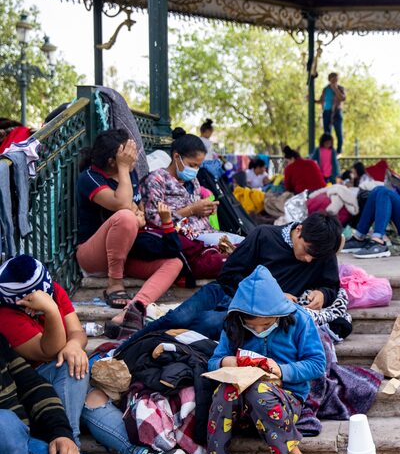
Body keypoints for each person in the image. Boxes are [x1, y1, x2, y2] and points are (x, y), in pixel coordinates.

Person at [0, 255, 189, 454]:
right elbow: (50, 350)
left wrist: (74, 345)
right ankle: (72, 450)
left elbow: (77, 334)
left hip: (66, 384)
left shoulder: (51, 290)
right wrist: (51, 313)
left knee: (91, 393)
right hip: (34, 392)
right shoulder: (6, 315)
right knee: (73, 369)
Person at [195, 266, 325, 454]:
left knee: (259, 390)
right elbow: (213, 362)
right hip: (239, 403)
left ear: (280, 313)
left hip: (285, 398)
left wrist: (282, 370)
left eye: (266, 325)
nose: (258, 330)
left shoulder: (299, 320)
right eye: (251, 325)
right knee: (226, 391)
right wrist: (227, 362)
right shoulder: (233, 323)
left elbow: (317, 364)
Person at [121, 212, 343, 343]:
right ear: (299, 230)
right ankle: (127, 345)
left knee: (207, 322)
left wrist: (322, 294)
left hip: (251, 314)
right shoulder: (264, 235)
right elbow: (229, 275)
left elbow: (332, 286)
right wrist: (272, 295)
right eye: (306, 250)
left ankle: (156, 341)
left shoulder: (322, 253)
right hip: (225, 292)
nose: (307, 260)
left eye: (315, 257)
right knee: (179, 317)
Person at [74, 130, 183, 332]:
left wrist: (139, 215)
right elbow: (123, 205)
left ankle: (133, 309)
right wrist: (124, 170)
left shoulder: (129, 172)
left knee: (174, 263)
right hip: (93, 257)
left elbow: (137, 205)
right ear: (112, 161)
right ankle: (115, 285)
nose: (134, 155)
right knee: (125, 217)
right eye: (128, 153)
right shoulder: (89, 178)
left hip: (126, 253)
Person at [141, 128, 243, 247]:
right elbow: (155, 221)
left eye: (198, 166)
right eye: (192, 165)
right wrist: (192, 210)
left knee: (248, 241)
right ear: (176, 157)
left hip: (208, 232)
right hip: (187, 238)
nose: (195, 170)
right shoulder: (156, 180)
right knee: (244, 247)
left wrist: (206, 210)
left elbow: (195, 210)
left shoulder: (193, 180)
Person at [316, 72, 346, 153]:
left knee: (339, 132)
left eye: (336, 79)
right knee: (327, 134)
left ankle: (339, 151)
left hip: (336, 112)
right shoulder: (325, 89)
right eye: (333, 79)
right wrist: (312, 100)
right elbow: (321, 100)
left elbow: (343, 98)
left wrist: (335, 89)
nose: (335, 81)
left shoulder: (340, 88)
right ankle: (328, 151)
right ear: (329, 80)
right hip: (326, 112)